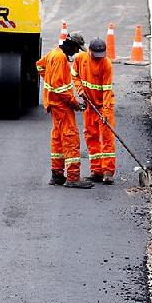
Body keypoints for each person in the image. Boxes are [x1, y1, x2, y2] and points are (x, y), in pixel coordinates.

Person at [36, 32, 92, 189]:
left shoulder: (54, 53)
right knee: (70, 138)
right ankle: (73, 177)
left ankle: (57, 174)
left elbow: (40, 65)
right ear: (72, 45)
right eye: (77, 49)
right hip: (62, 106)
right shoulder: (60, 59)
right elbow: (61, 89)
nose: (76, 53)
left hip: (53, 104)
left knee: (57, 138)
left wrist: (48, 79)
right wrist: (75, 103)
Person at [75, 37, 116, 184]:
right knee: (91, 137)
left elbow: (106, 91)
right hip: (90, 106)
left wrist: (105, 112)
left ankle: (108, 172)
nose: (99, 59)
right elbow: (75, 76)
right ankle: (96, 170)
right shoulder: (81, 59)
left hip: (104, 106)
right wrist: (80, 89)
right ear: (89, 51)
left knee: (107, 138)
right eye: (95, 56)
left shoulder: (106, 64)